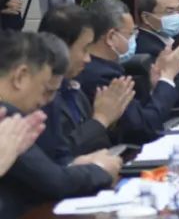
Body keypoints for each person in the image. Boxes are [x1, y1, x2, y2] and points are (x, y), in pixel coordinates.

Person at [0, 31, 120, 216]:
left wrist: (72, 166)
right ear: (20, 77)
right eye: (43, 87)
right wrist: (101, 169)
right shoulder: (6, 117)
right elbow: (55, 182)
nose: (44, 100)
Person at [78, 0, 179, 143]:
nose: (133, 39)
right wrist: (167, 76)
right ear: (111, 37)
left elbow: (138, 114)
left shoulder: (105, 67)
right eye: (130, 34)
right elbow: (145, 128)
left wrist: (155, 87)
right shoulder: (103, 76)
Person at [37, 4, 134, 164]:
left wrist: (111, 119)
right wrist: (101, 119)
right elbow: (60, 157)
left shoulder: (74, 88)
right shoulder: (40, 98)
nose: (88, 59)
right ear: (61, 47)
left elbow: (102, 145)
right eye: (84, 49)